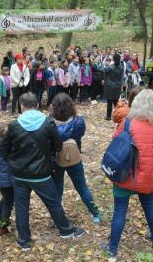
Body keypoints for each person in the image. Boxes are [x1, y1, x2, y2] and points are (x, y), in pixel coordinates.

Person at [0, 93, 85, 251]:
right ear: (37, 105)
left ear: (21, 106)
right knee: (53, 203)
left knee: (21, 207)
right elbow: (58, 146)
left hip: (19, 174)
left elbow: (4, 150)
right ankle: (66, 230)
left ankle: (24, 240)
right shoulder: (48, 123)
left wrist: (14, 161)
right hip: (41, 173)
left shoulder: (13, 125)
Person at [102, 90, 153, 258]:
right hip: (147, 176)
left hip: (126, 174)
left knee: (120, 211)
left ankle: (112, 248)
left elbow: (115, 140)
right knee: (149, 206)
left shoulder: (127, 123)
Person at [50, 93, 100, 221]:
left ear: (54, 107)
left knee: (57, 190)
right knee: (82, 187)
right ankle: (96, 214)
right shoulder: (78, 121)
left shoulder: (50, 123)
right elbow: (80, 135)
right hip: (74, 156)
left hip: (56, 159)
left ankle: (57, 219)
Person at [103, 54, 124, 120]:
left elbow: (102, 69)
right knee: (116, 102)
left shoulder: (110, 67)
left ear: (113, 59)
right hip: (118, 86)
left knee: (109, 102)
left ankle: (108, 116)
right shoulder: (121, 67)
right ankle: (117, 116)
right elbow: (121, 77)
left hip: (110, 86)